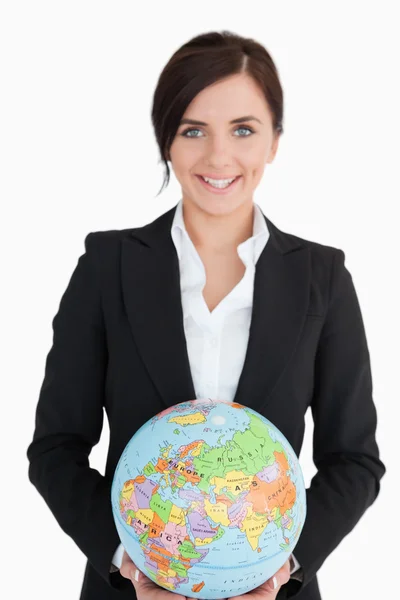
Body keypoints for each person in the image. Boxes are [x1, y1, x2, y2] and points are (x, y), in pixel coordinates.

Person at [26, 30, 386, 600]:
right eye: (193, 130)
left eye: (243, 129)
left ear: (273, 142)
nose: (219, 157)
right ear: (166, 139)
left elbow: (355, 461)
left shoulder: (323, 278)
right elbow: (55, 448)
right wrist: (131, 561)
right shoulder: (107, 266)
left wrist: (280, 568)